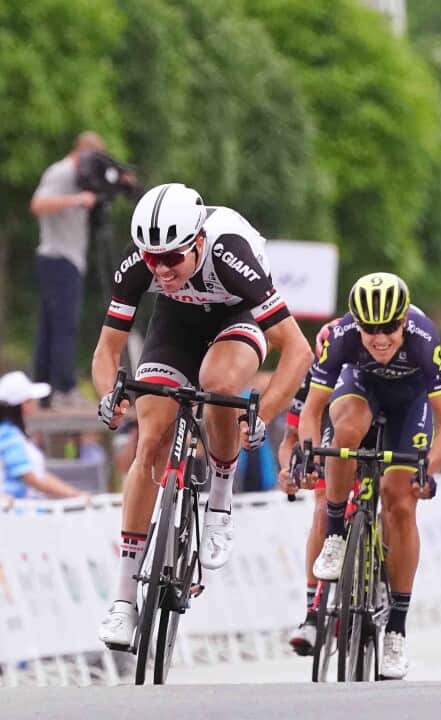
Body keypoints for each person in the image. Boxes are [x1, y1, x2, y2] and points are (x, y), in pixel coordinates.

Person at [92, 183, 313, 651]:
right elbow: (107, 350)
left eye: (173, 257)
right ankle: (124, 601)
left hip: (237, 317)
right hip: (175, 325)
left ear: (196, 242)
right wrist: (110, 396)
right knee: (150, 435)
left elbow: (297, 349)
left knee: (219, 384)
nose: (162, 269)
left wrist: (263, 414)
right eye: (153, 259)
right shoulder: (140, 266)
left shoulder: (231, 254)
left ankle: (219, 497)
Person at [299, 272, 441, 679]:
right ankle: (336, 533)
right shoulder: (342, 338)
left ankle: (397, 632)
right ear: (357, 324)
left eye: (389, 327)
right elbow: (311, 411)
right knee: (344, 433)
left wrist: (429, 469)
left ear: (404, 321)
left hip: (412, 404)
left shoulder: (424, 339)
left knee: (399, 499)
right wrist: (307, 453)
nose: (380, 338)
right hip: (362, 389)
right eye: (371, 330)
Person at [29, 132, 108, 407]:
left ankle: (43, 391)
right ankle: (65, 388)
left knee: (50, 327)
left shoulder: (81, 179)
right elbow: (38, 204)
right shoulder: (61, 173)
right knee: (65, 325)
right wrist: (76, 200)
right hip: (59, 257)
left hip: (66, 259)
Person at [276, 319, 340, 656]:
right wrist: (289, 469)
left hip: (371, 417)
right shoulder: (311, 378)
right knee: (322, 506)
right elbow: (289, 441)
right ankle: (313, 614)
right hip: (327, 428)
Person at [0, 371, 90, 499]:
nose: (35, 403)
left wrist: (76, 494)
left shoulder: (16, 434)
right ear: (24, 404)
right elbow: (31, 479)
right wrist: (74, 494)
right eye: (31, 400)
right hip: (17, 514)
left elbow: (40, 475)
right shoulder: (8, 435)